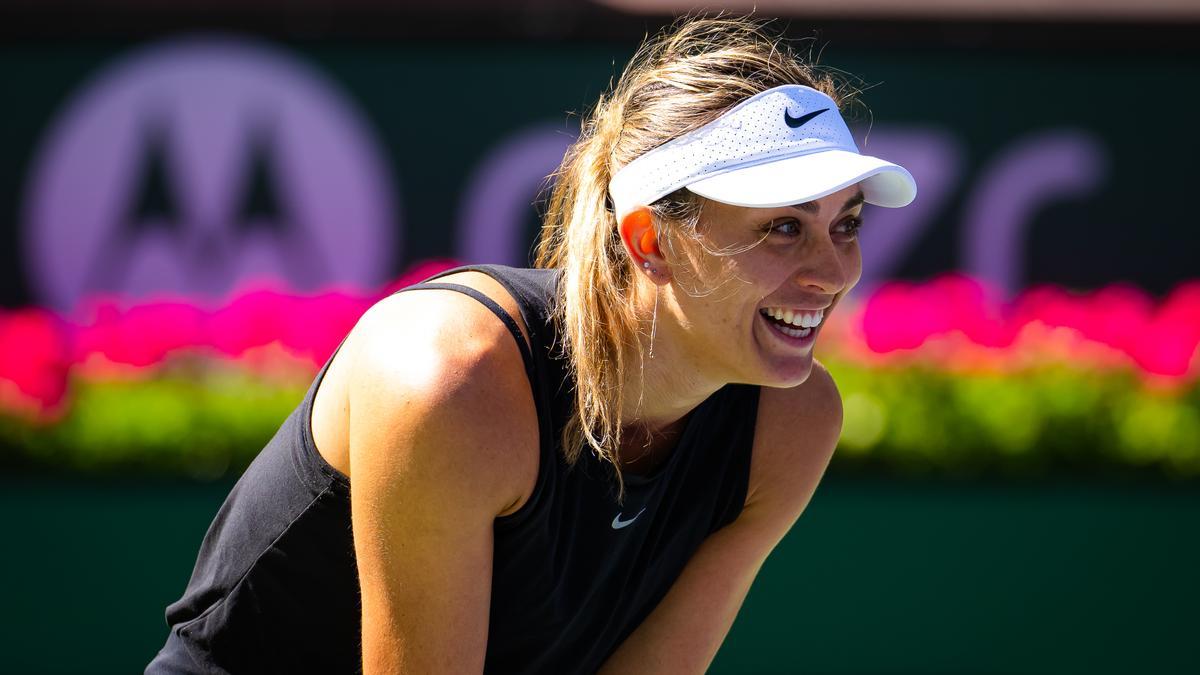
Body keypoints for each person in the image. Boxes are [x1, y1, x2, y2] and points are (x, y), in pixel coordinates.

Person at [147, 15, 916, 675]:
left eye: (844, 223)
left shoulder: (793, 423)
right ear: (649, 240)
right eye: (784, 226)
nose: (833, 271)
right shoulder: (450, 378)